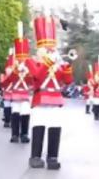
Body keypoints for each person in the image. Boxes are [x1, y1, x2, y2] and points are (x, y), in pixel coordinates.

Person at [26, 14, 75, 170]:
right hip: (40, 97)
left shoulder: (57, 63)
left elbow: (67, 81)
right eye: (47, 48)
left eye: (52, 48)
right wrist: (47, 62)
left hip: (56, 98)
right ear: (40, 49)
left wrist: (66, 67)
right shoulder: (32, 61)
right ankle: (35, 157)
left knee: (55, 126)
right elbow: (36, 77)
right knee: (39, 125)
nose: (51, 50)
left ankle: (53, 157)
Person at [2, 22, 33, 143]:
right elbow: (5, 83)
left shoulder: (28, 67)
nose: (21, 60)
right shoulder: (14, 69)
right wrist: (14, 72)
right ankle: (14, 134)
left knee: (25, 113)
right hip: (15, 95)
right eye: (19, 58)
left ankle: (24, 134)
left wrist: (27, 72)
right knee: (15, 113)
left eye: (23, 58)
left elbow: (33, 81)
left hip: (25, 94)